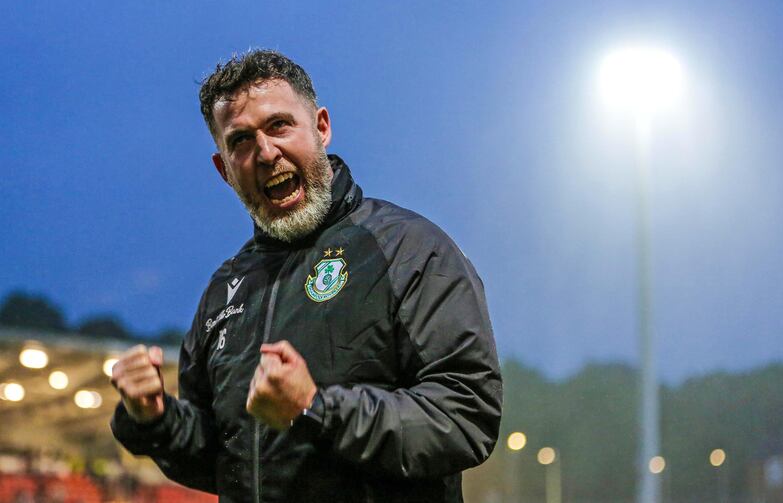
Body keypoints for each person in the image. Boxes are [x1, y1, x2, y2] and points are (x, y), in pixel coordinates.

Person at [110, 49, 502, 503]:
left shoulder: (409, 250)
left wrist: (316, 408)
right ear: (223, 170)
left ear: (321, 127)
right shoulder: (224, 291)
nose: (265, 151)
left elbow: (464, 416)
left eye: (279, 125)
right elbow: (225, 456)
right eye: (239, 141)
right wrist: (154, 418)